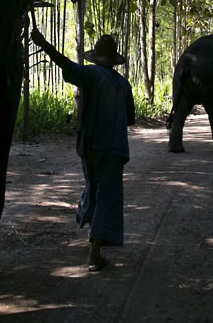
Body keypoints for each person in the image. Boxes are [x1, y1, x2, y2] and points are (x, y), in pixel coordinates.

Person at [30, 28, 136, 272]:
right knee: (107, 195)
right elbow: (130, 119)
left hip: (90, 145)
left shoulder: (91, 75)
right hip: (115, 149)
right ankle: (95, 248)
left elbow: (65, 64)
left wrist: (44, 44)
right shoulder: (123, 83)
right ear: (114, 59)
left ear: (96, 57)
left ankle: (94, 241)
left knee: (94, 188)